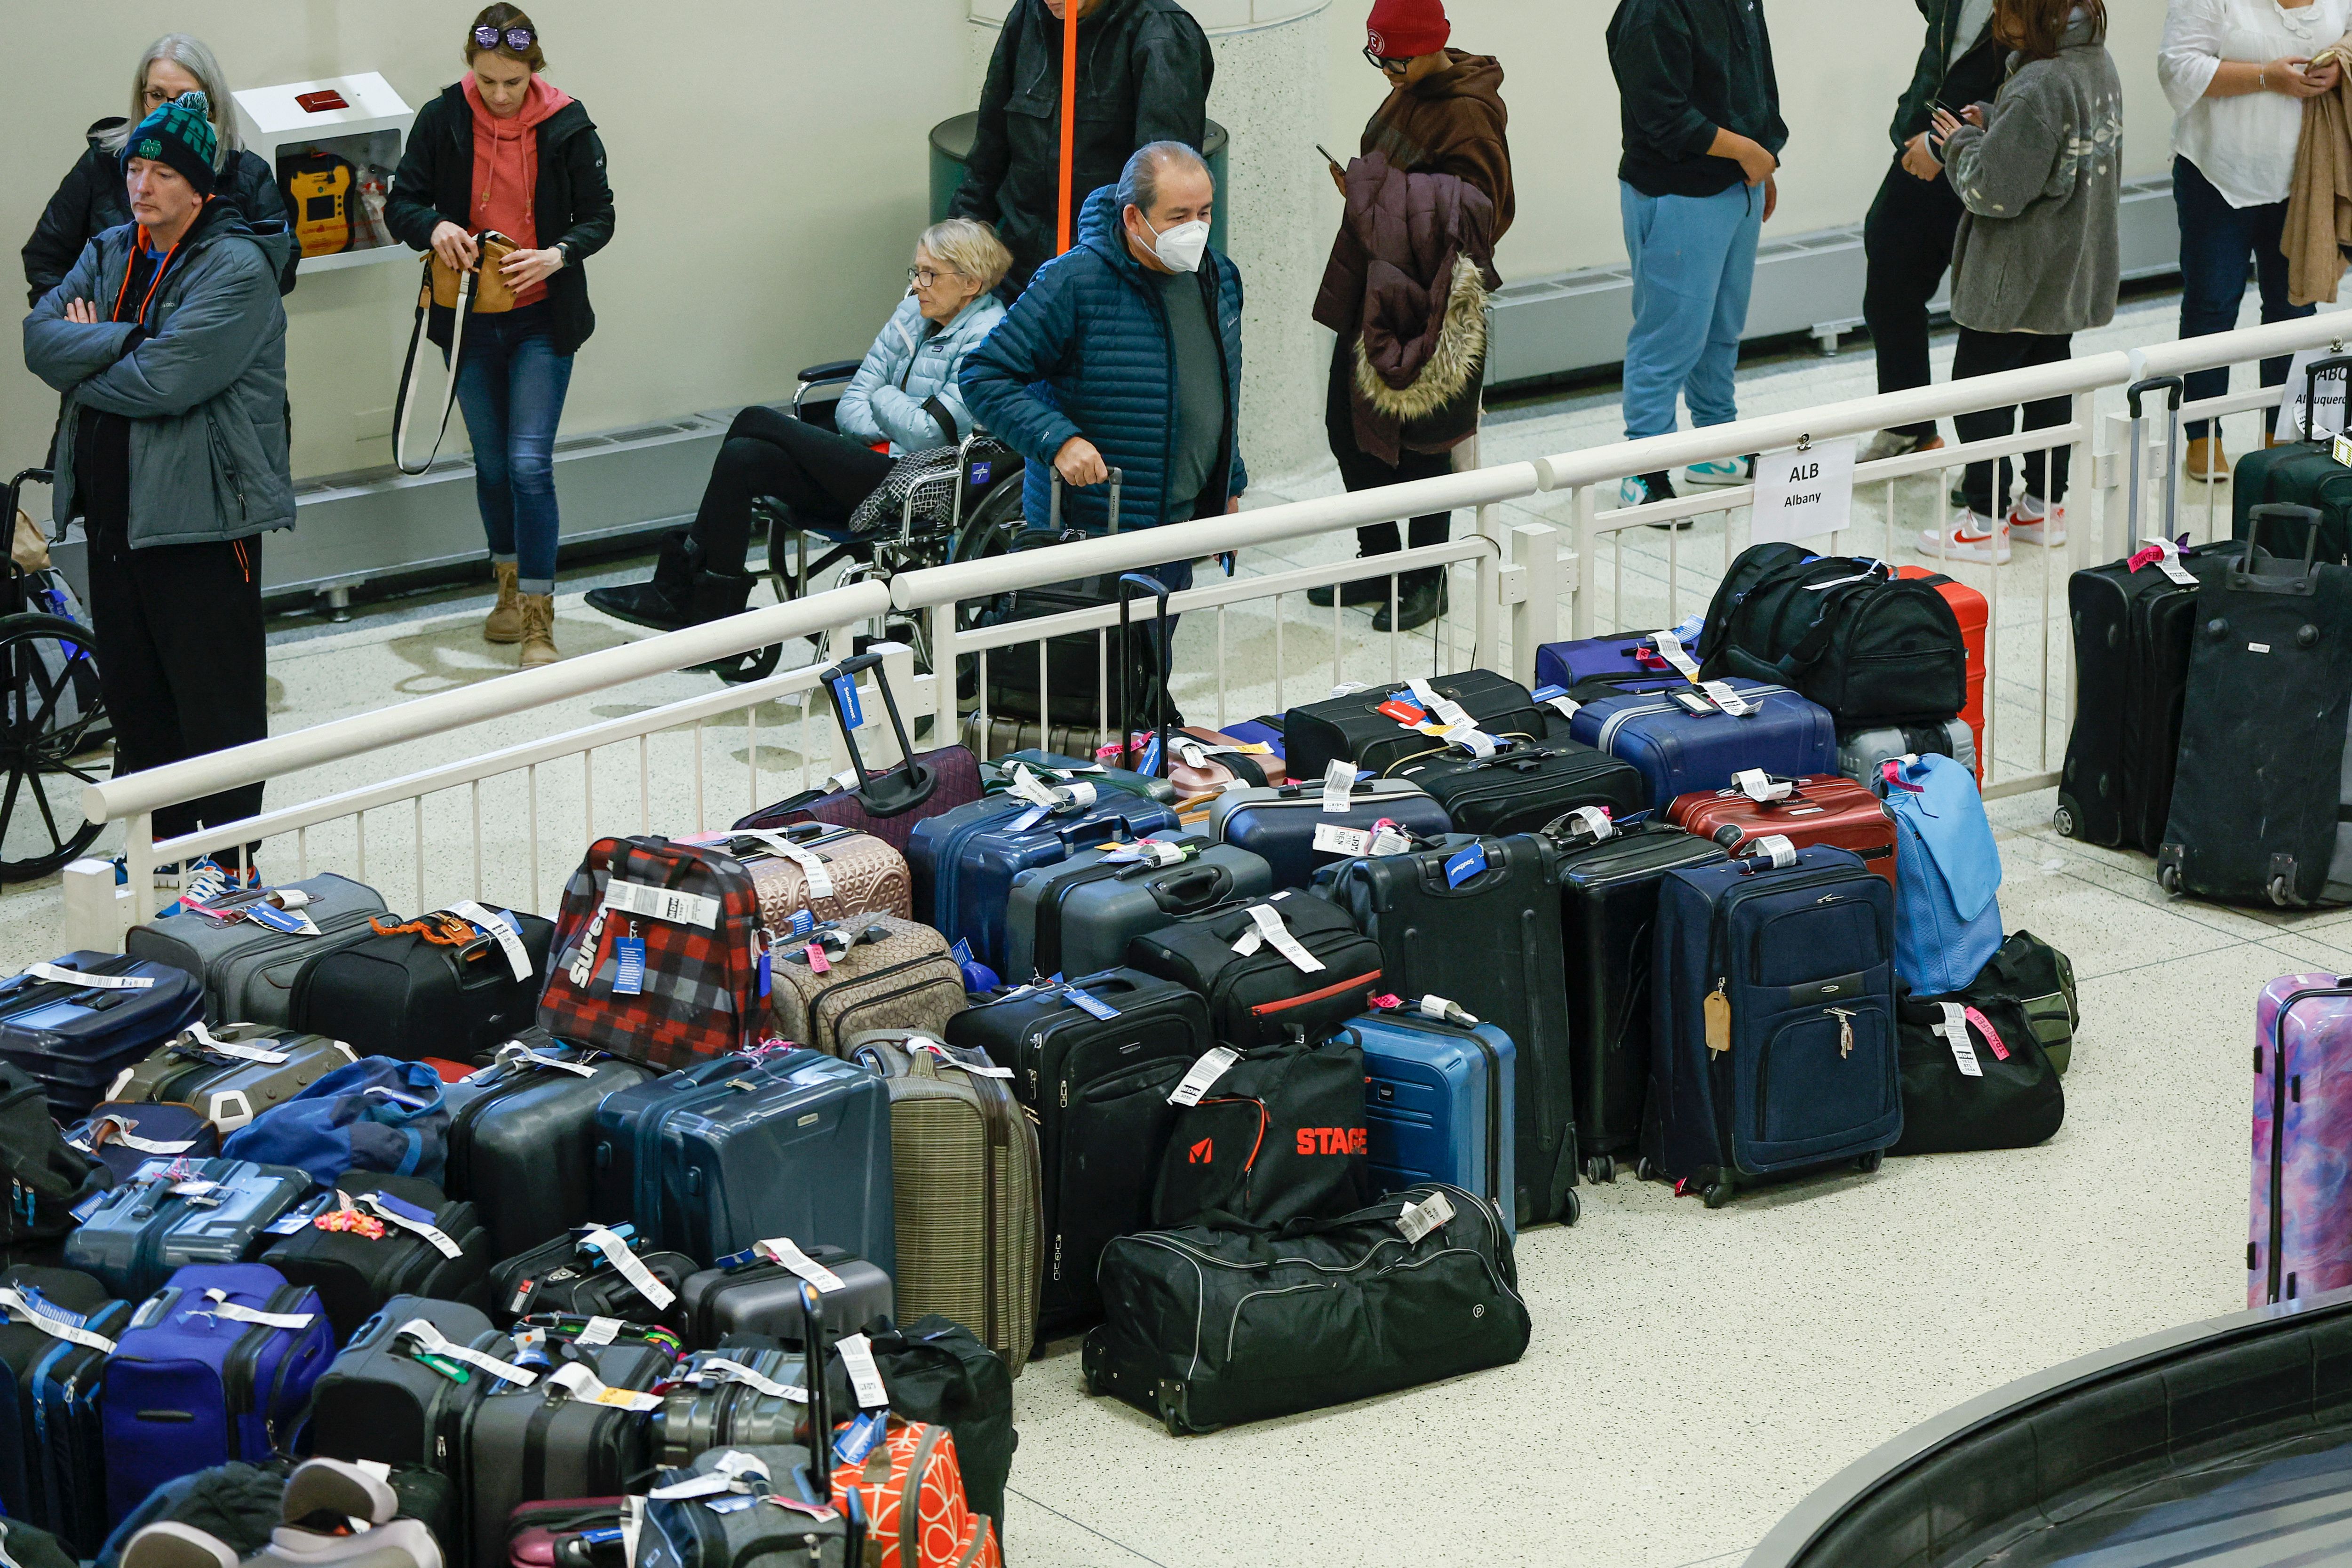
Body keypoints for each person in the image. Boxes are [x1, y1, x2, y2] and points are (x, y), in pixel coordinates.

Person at [23, 90, 295, 886]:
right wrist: (127, 339)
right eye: (134, 169)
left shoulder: (238, 267)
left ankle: (231, 859)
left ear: (198, 187)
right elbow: (42, 341)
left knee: (216, 702)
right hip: (113, 519)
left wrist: (93, 354)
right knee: (140, 703)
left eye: (158, 173)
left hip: (201, 523)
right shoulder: (111, 249)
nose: (140, 186)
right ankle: (164, 857)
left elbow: (168, 382)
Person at [586, 220, 1011, 634]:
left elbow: (927, 434)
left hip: (916, 482)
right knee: (744, 456)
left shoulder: (987, 335)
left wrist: (883, 399)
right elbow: (850, 407)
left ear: (971, 283)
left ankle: (679, 591)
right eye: (915, 271)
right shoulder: (911, 313)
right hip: (866, 461)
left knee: (754, 419)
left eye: (930, 274)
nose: (917, 283)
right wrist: (891, 419)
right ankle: (714, 610)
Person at [385, 4, 613, 669]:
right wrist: (434, 228)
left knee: (527, 465)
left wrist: (557, 254)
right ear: (472, 69)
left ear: (533, 71)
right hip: (468, 319)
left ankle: (542, 619)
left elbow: (600, 216)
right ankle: (508, 593)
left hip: (543, 315)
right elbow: (402, 200)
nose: (500, 95)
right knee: (489, 463)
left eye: (513, 82)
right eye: (487, 81)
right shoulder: (443, 118)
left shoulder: (568, 123)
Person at [960, 141, 1248, 597]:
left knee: (1149, 667)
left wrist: (1227, 486)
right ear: (1133, 218)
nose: (1195, 229)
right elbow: (982, 374)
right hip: (1089, 538)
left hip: (1175, 536)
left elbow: (1219, 393)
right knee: (1085, 669)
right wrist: (1058, 441)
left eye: (1205, 213)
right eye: (1177, 217)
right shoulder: (1072, 283)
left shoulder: (1219, 279)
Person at [1309, 0, 1512, 633]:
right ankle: (1381, 561)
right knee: (1348, 430)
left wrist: (1376, 192)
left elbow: (1486, 214)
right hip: (1382, 281)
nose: (1388, 68)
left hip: (1435, 300)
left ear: (1433, 43)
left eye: (1398, 56)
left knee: (1425, 443)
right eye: (1379, 57)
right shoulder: (1410, 88)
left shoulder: (1469, 112)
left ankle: (1429, 577)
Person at [1921, 0, 2122, 563]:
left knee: (1979, 390)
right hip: (2066, 268)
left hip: (2016, 275)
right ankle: (2043, 506)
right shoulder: (2094, 62)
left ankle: (1984, 519)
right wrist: (1997, 117)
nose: (1996, 19)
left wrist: (1958, 143)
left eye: (2005, 8)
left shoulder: (2038, 82)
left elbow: (1993, 189)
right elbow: (2051, 145)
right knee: (2046, 383)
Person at [1605, 0, 1786, 513]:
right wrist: (1748, 153)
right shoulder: (1652, 10)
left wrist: (1761, 165)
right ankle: (1644, 465)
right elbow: (1661, 113)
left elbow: (1751, 82)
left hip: (1737, 186)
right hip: (1679, 192)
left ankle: (1713, 444)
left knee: (1720, 329)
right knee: (1669, 335)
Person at [2159, 0, 2344, 480]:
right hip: (2215, 173)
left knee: (2294, 310)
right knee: (2211, 306)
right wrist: (2265, 76)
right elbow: (2176, 66)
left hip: (2303, 179)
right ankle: (2202, 437)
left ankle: (2280, 442)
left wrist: (2340, 63)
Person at [951, 0, 1214, 299]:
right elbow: (990, 148)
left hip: (1106, 284)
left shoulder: (1161, 33)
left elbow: (1163, 191)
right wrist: (955, 250)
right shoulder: (1029, 14)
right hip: (1018, 275)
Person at [23, 34, 295, 307]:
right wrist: (73, 321)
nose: (168, 109)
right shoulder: (104, 161)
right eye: (156, 95)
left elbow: (282, 266)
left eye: (185, 99)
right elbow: (46, 255)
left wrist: (214, 315)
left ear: (211, 105)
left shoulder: (246, 173)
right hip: (104, 334)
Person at [1855, 1, 2006, 465]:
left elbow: (2041, 85)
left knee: (1990, 312)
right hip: (1924, 134)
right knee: (1889, 268)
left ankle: (1988, 473)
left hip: (1989, 158)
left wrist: (1945, 145)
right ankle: (1909, 424)